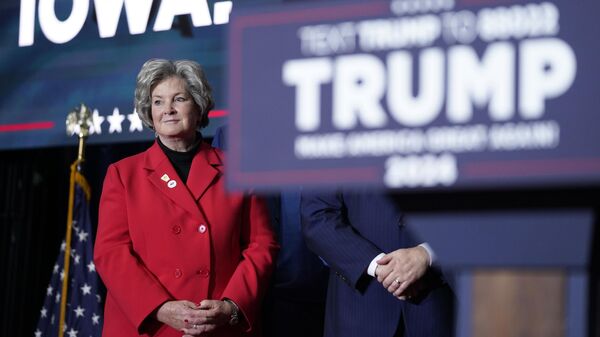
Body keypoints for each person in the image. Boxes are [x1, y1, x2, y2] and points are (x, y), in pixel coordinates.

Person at [94, 59, 278, 337]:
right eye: (158, 102)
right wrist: (160, 307)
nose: (167, 109)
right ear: (149, 112)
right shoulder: (123, 174)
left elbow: (262, 245)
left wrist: (231, 306)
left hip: (217, 325)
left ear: (198, 105)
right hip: (150, 326)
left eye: (178, 99)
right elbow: (110, 253)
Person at [212, 125, 329, 337]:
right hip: (257, 295)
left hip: (324, 289)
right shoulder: (230, 134)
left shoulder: (331, 124)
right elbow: (219, 212)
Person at [301, 191, 455, 337]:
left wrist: (427, 254)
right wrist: (379, 266)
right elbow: (317, 216)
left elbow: (474, 213)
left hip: (436, 311)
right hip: (358, 313)